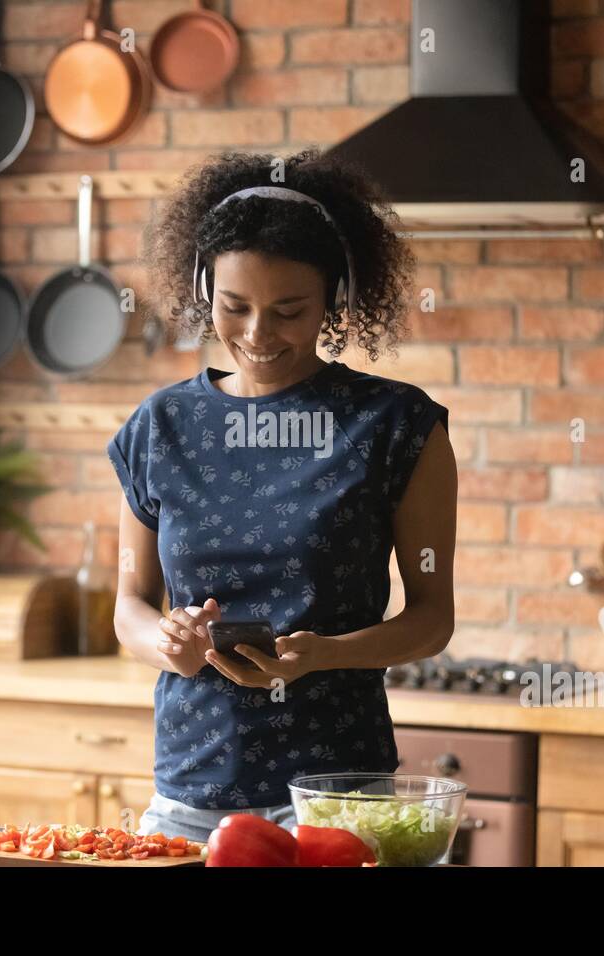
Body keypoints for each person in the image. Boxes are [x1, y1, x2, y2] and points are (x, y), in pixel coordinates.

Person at [106, 149, 457, 842]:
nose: (259, 335)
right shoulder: (161, 426)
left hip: (336, 796)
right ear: (205, 291)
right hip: (189, 791)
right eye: (235, 308)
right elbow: (129, 604)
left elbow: (431, 618)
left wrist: (327, 652)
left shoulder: (396, 426)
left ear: (336, 298)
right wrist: (166, 641)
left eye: (289, 310)